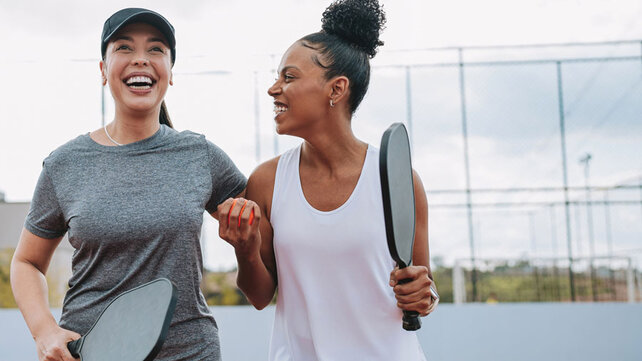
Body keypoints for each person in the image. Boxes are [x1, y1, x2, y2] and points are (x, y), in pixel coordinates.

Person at [10, 8, 246, 361]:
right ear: (103, 71)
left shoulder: (200, 154)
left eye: (156, 50)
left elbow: (265, 221)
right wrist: (44, 331)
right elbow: (26, 262)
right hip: (90, 353)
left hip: (191, 352)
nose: (140, 60)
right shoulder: (64, 164)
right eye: (124, 48)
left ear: (170, 72)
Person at [217, 0, 437, 359]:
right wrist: (245, 248)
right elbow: (259, 296)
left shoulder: (399, 181)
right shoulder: (268, 181)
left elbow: (423, 287)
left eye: (289, 77)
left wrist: (425, 294)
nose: (274, 89)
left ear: (336, 89)